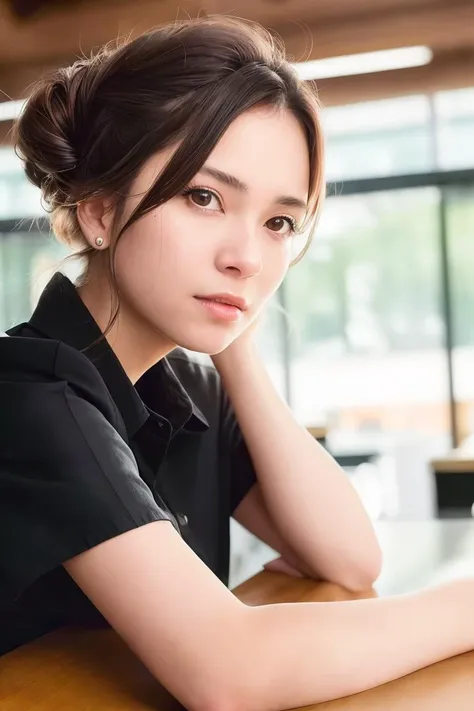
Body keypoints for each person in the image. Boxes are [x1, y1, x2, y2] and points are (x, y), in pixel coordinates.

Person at [0, 16, 473, 711]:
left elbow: (347, 556)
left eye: (278, 222)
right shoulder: (30, 391)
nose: (247, 258)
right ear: (100, 211)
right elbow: (225, 669)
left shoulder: (183, 384)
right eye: (204, 197)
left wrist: (236, 346)